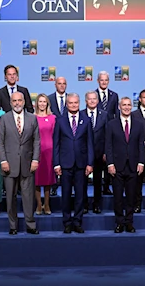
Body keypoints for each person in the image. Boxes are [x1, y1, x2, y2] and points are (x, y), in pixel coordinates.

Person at [0, 92, 40, 235]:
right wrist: (3, 160)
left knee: (29, 197)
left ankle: (30, 225)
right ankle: (13, 226)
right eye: (14, 101)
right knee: (10, 198)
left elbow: (36, 141)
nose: (17, 103)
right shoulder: (4, 118)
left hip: (28, 164)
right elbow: (0, 142)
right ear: (10, 102)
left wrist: (35, 160)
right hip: (9, 165)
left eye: (19, 100)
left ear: (24, 102)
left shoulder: (32, 119)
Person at [53, 93, 94, 234]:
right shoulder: (60, 120)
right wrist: (56, 164)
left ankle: (77, 221)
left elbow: (90, 144)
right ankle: (67, 222)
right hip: (65, 164)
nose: (73, 105)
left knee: (80, 195)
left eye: (76, 102)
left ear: (79, 103)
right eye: (70, 103)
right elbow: (56, 144)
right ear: (66, 104)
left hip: (81, 164)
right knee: (65, 195)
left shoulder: (86, 120)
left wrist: (90, 163)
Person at [106, 97, 145, 233]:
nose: (127, 107)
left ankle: (129, 222)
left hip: (133, 166)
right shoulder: (111, 124)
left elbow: (141, 145)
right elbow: (108, 146)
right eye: (124, 105)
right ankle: (119, 222)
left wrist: (141, 162)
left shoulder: (139, 124)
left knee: (131, 197)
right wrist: (110, 163)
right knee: (117, 197)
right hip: (117, 166)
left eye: (129, 105)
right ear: (119, 107)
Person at [84, 90, 108, 214]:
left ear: (98, 101)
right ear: (86, 101)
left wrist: (106, 152)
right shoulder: (80, 114)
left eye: (94, 99)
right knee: (82, 181)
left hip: (100, 153)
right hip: (83, 154)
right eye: (90, 99)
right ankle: (83, 205)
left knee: (98, 181)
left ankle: (97, 204)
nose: (92, 101)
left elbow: (107, 135)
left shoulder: (104, 115)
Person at [96, 70, 119, 194]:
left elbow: (116, 113)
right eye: (102, 80)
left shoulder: (114, 95)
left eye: (106, 80)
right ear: (98, 81)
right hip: (97, 132)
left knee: (109, 159)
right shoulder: (93, 95)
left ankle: (106, 186)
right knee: (98, 162)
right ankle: (98, 187)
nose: (104, 82)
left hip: (110, 131)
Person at [33, 94, 56, 215]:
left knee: (47, 179)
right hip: (36, 151)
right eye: (40, 102)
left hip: (49, 151)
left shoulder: (53, 118)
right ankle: (38, 205)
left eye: (44, 102)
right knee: (37, 179)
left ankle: (46, 204)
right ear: (36, 103)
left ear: (47, 103)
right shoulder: (32, 117)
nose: (42, 104)